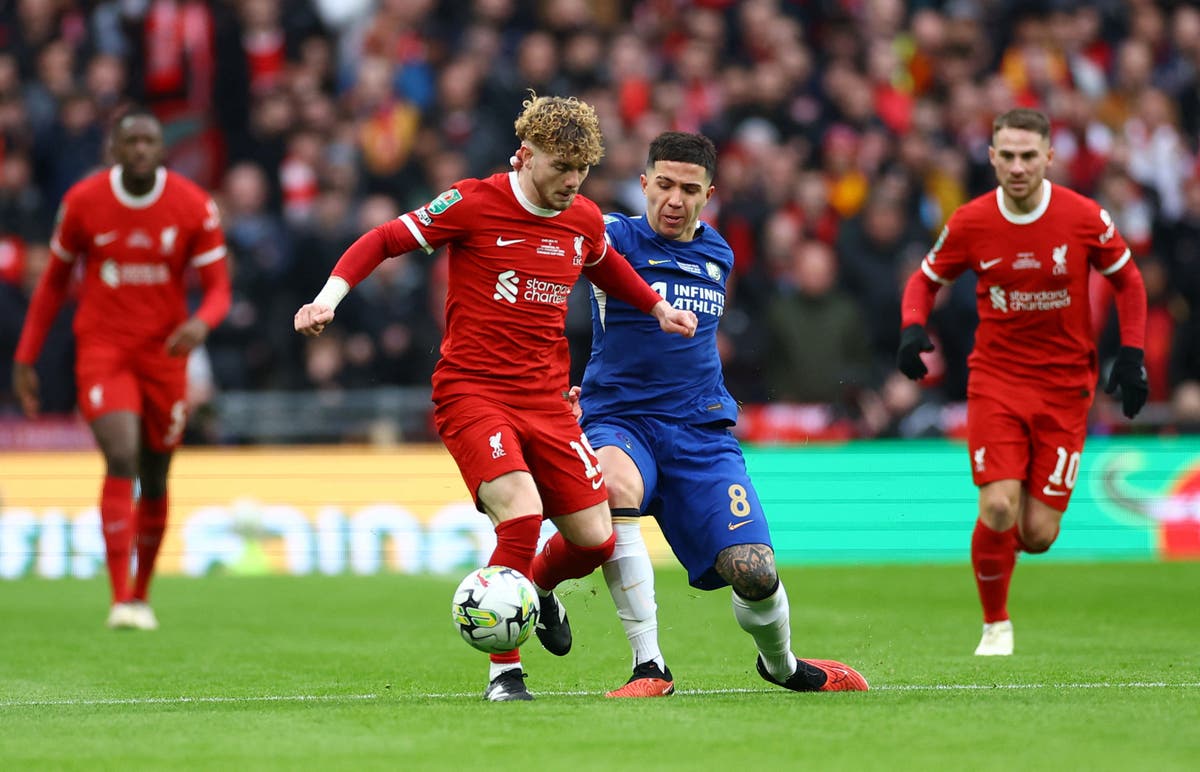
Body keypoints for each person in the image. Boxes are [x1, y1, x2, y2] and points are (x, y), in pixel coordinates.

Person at [293, 94, 698, 702]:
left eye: (581, 170)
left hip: (548, 402)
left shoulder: (583, 217)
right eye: (561, 167)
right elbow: (381, 239)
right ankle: (504, 673)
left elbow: (606, 266)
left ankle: (534, 590)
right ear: (526, 154)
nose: (571, 181)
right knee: (522, 512)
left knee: (595, 539)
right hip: (472, 393)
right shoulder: (473, 202)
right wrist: (329, 299)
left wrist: (657, 306)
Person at [570, 131, 869, 696]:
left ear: (709, 194)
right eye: (662, 186)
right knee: (614, 485)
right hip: (621, 421)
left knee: (755, 571)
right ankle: (649, 667)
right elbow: (563, 229)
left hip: (701, 432)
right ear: (643, 185)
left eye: (688, 188)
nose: (673, 200)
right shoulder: (612, 236)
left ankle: (782, 668)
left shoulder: (718, 253)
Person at [896, 108, 1148, 656]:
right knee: (999, 508)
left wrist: (1132, 354)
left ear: (1049, 157)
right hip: (997, 381)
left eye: (1028, 155)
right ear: (991, 157)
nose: (1017, 166)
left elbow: (1127, 280)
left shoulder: (1083, 217)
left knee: (1037, 534)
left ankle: (998, 554)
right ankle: (996, 624)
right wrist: (913, 328)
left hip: (1065, 389)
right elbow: (924, 278)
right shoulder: (971, 221)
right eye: (1006, 155)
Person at [13, 108, 231, 630]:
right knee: (121, 453)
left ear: (162, 149)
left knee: (155, 476)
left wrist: (202, 323)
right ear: (114, 149)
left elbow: (220, 289)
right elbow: (51, 286)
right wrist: (27, 356)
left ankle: (140, 594)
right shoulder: (84, 203)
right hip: (103, 350)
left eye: (148, 141)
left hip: (165, 355)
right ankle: (118, 600)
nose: (138, 150)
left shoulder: (193, 206)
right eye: (129, 141)